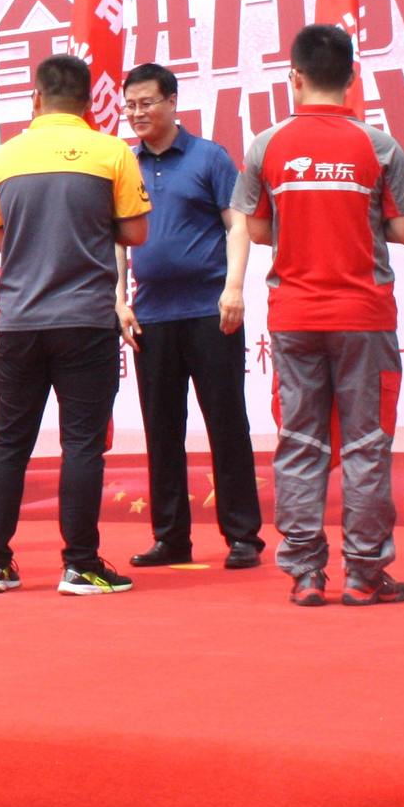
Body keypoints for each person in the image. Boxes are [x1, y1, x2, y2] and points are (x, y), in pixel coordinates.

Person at [231, 24, 404, 607]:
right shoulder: (379, 145)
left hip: (294, 314)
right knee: (366, 443)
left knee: (299, 441)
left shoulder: (266, 145)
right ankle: (363, 573)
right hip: (364, 316)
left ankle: (305, 573)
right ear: (352, 77)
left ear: (294, 77)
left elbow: (256, 229)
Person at [0, 54, 149, 595]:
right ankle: (80, 564)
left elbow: (1, 238)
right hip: (85, 322)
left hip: (20, 322)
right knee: (81, 445)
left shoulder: (4, 157)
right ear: (90, 102)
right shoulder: (111, 152)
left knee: (9, 443)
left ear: (36, 97)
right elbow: (136, 233)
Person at [115, 63, 265, 570]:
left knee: (226, 422)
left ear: (172, 102)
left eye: (147, 103)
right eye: (130, 105)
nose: (137, 113)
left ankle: (243, 536)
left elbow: (237, 225)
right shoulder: (125, 165)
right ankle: (171, 537)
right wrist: (119, 298)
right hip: (151, 316)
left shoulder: (209, 157)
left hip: (209, 311)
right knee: (162, 429)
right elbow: (118, 239)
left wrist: (234, 287)